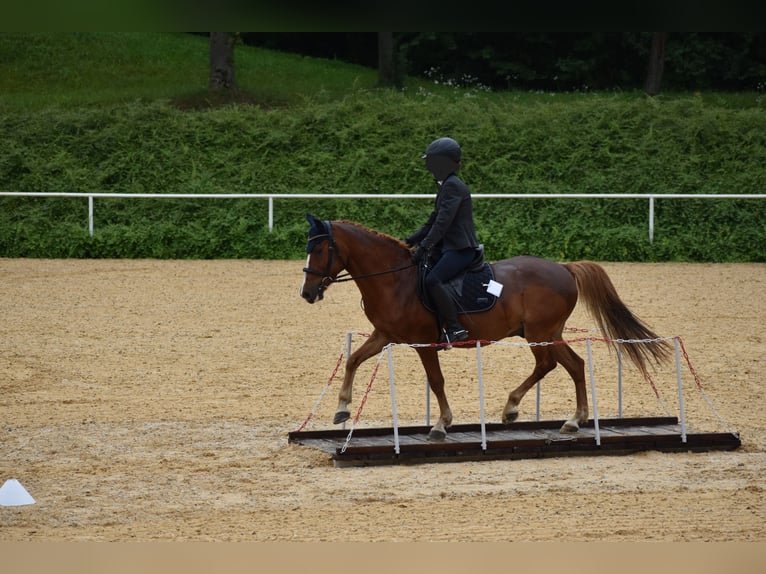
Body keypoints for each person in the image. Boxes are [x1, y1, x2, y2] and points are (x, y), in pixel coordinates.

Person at [405, 136, 480, 345]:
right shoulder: (446, 185)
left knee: (432, 280)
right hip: (449, 247)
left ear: (440, 164)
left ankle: (455, 328)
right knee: (421, 273)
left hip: (460, 249)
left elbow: (443, 224)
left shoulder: (453, 186)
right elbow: (433, 220)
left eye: (431, 163)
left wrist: (425, 246)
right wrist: (411, 240)